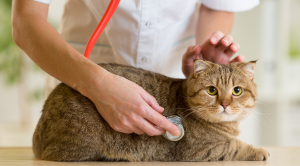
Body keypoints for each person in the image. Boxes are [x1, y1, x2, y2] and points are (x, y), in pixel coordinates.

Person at [12, 0, 259, 137]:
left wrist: (204, 72)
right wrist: (98, 85)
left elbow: (218, 5)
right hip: (83, 83)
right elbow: (26, 18)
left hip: (176, 91)